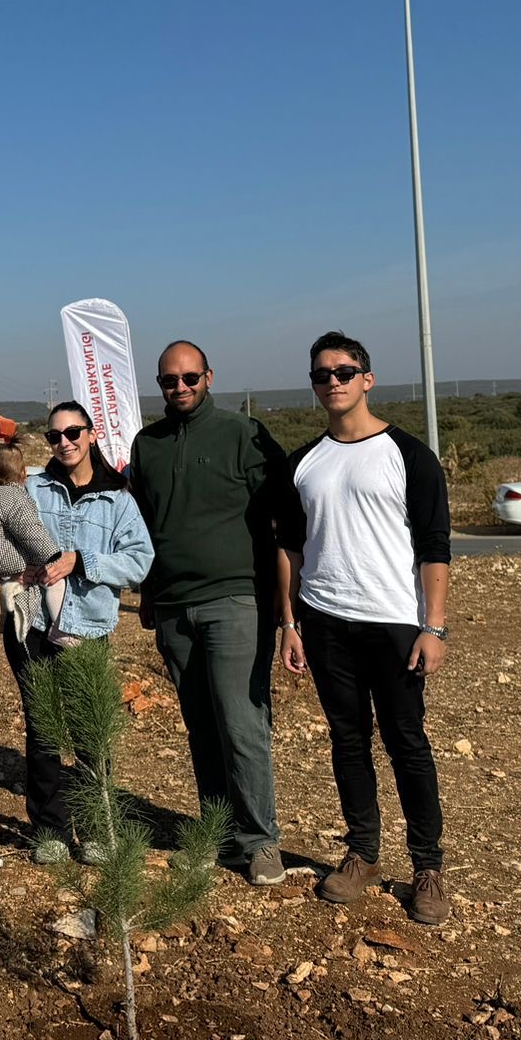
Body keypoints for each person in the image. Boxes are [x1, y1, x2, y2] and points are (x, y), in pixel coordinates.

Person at [278, 332, 453, 926]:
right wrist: (289, 622)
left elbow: (434, 547)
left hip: (394, 623)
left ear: (367, 379)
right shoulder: (304, 462)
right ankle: (362, 854)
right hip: (326, 620)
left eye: (344, 371)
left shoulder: (408, 455)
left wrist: (434, 628)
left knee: (407, 742)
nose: (333, 381)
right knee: (347, 740)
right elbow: (290, 548)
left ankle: (427, 867)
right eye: (321, 374)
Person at [130, 340, 301, 886]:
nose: (179, 387)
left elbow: (285, 518)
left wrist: (286, 609)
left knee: (241, 724)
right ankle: (217, 834)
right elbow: (145, 524)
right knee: (201, 726)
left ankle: (260, 840)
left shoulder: (242, 434)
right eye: (169, 380)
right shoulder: (147, 444)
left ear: (209, 377)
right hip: (173, 605)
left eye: (189, 377)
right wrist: (149, 593)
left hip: (235, 599)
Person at [14, 402, 153, 862]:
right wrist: (14, 566)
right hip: (34, 623)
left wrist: (83, 561)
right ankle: (50, 831)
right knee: (43, 727)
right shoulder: (32, 489)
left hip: (87, 627)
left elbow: (139, 561)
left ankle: (95, 829)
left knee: (90, 729)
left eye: (73, 432)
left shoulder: (118, 500)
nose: (64, 442)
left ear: (92, 435)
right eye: (54, 436)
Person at [0, 443, 70, 646]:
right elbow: (29, 529)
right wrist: (51, 554)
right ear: (24, 473)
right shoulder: (14, 497)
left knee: (14, 584)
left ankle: (6, 615)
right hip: (10, 557)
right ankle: (61, 629)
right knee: (54, 579)